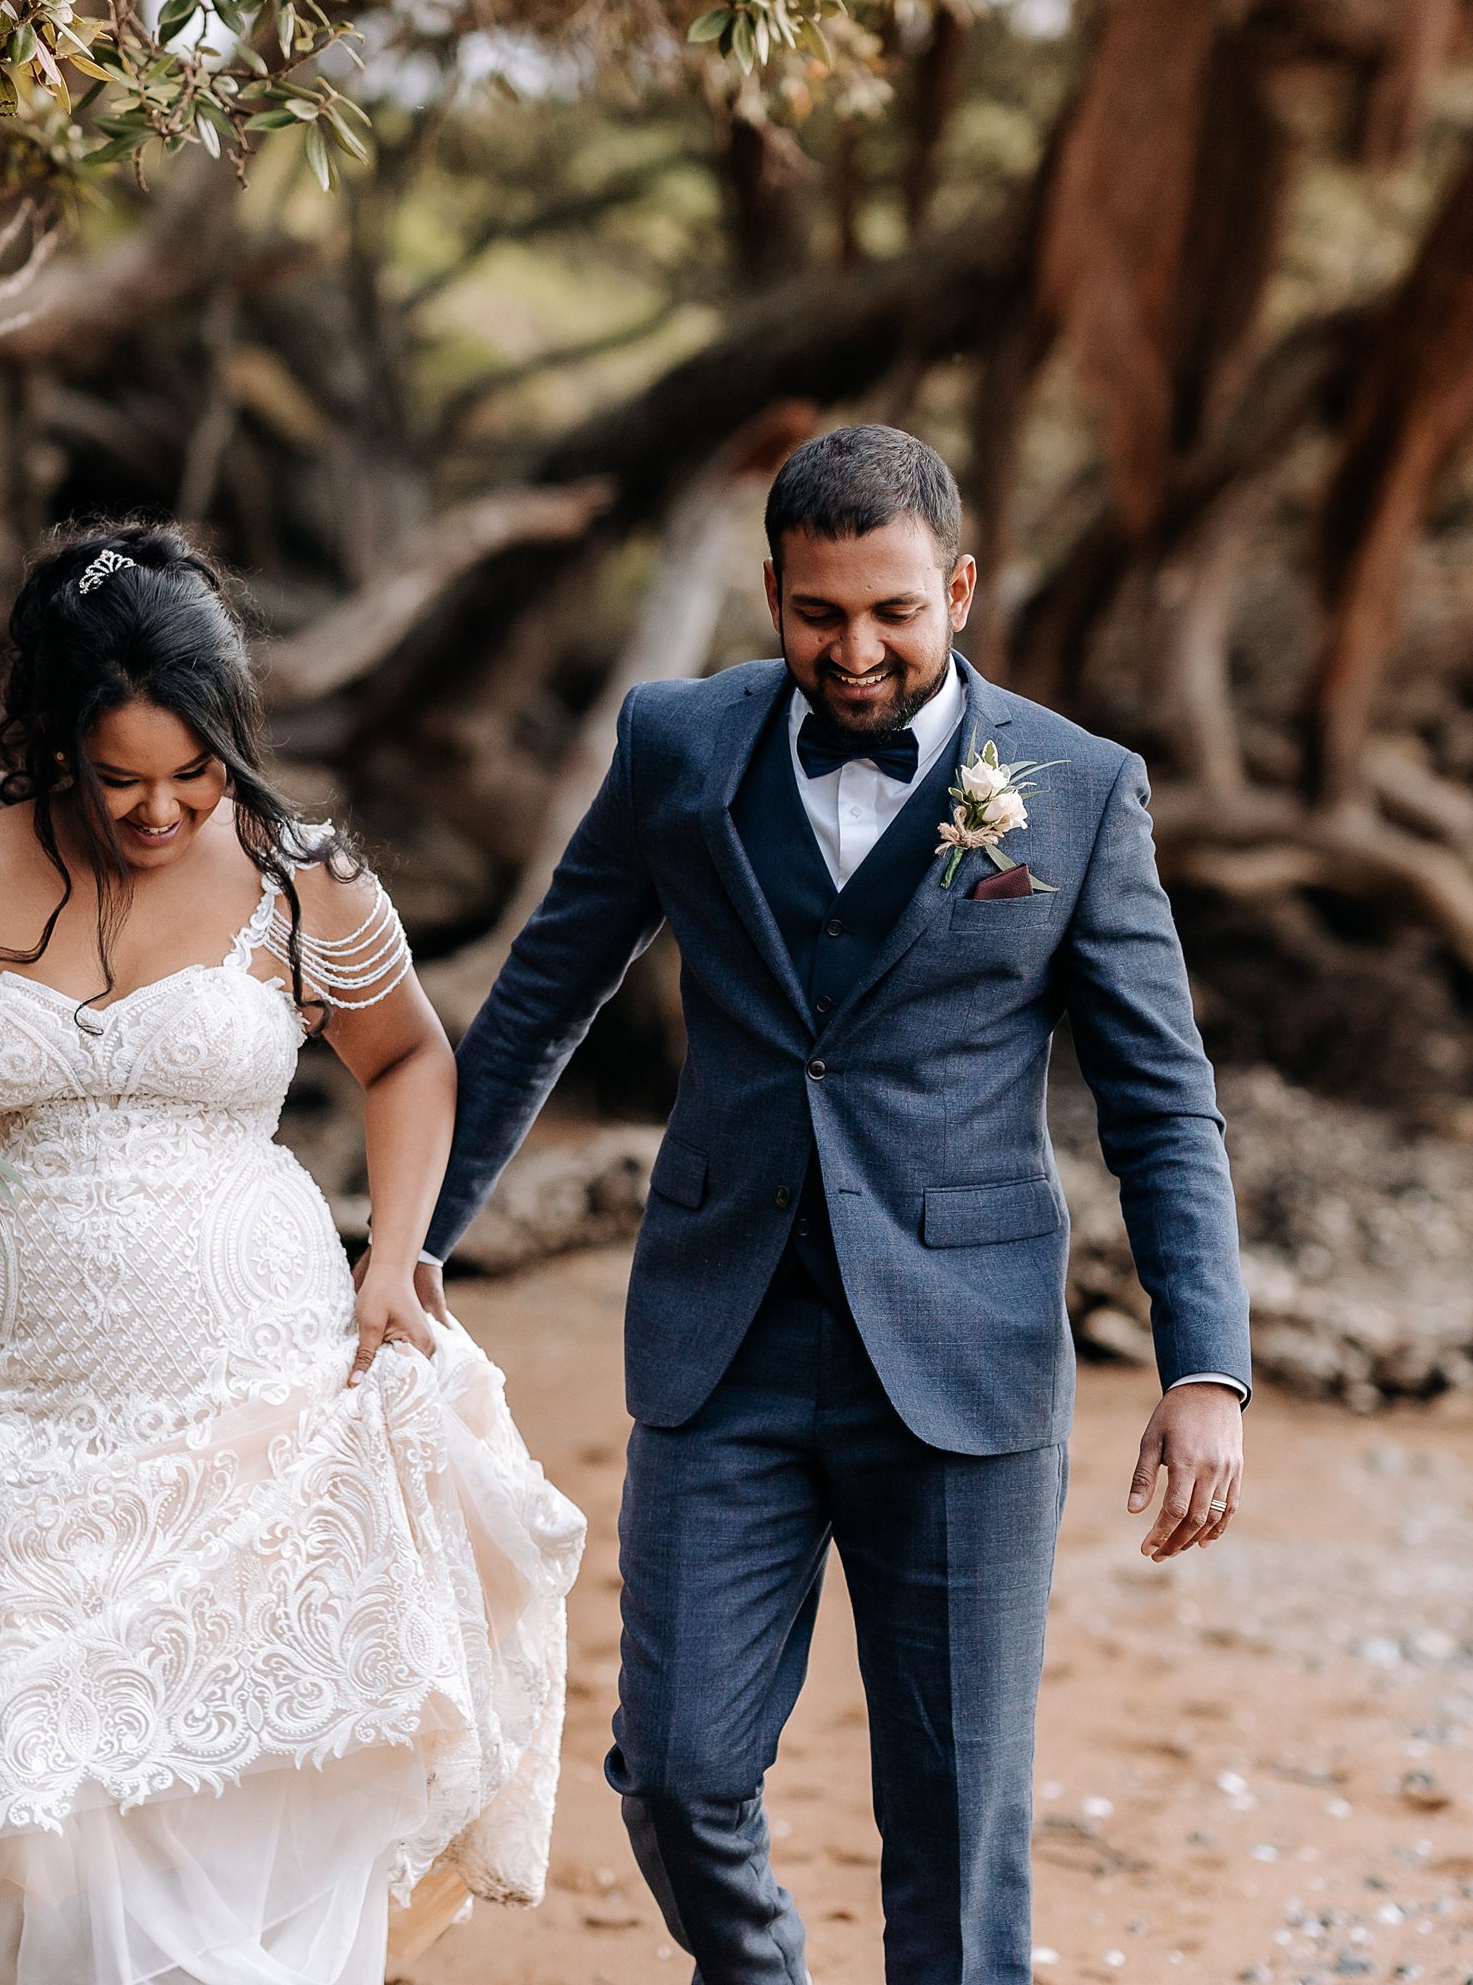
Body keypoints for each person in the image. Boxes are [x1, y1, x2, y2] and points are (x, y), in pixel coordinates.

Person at [414, 425, 1252, 1985]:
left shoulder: (1075, 791)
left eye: (893, 614)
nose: (854, 653)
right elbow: (538, 1003)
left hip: (968, 1353)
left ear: (961, 589)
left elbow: (1160, 1103)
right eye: (818, 616)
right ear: (774, 594)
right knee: (673, 1772)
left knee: (955, 1817)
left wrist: (1204, 1367)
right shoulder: (678, 748)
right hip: (723, 1337)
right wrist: (414, 1241)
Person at [0, 523, 585, 1985]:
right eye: (119, 778)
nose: (160, 810)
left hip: (260, 1396)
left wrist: (396, 1255)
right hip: (14, 1412)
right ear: (55, 742)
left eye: (192, 776)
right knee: (22, 1782)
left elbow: (408, 1063)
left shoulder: (299, 875)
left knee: (247, 1781)